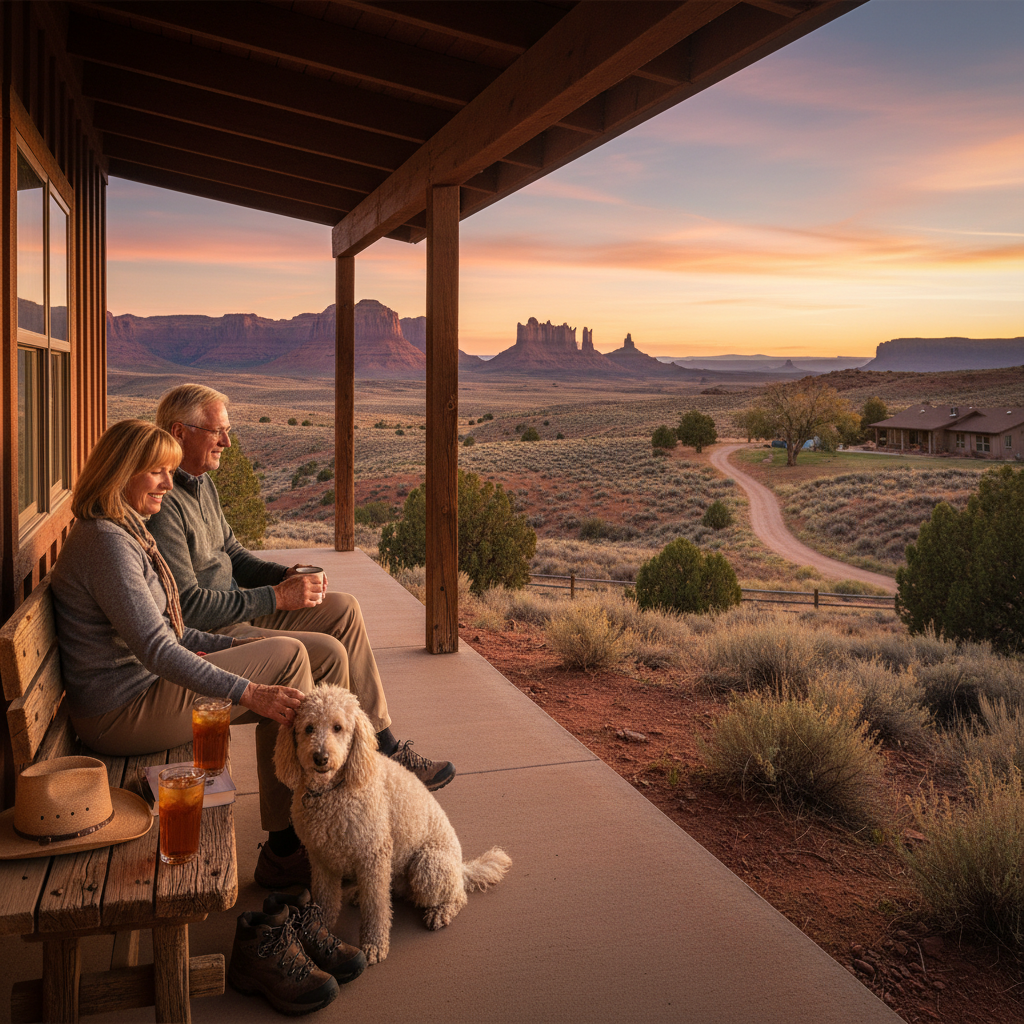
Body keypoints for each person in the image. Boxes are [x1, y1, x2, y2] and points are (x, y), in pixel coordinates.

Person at [147, 385, 454, 800]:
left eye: (228, 430)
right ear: (179, 433)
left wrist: (286, 576)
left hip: (240, 605)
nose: (227, 441)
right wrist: (278, 596)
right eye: (217, 431)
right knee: (323, 652)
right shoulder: (162, 503)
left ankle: (381, 746)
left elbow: (232, 554)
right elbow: (191, 608)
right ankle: (326, 791)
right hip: (219, 626)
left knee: (343, 608)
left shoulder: (201, 484)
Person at [49, 420, 321, 888]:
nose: (168, 484)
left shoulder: (123, 531)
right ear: (120, 472)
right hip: (121, 713)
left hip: (140, 694)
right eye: (157, 472)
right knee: (290, 657)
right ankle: (292, 847)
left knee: (292, 654)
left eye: (170, 472)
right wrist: (248, 689)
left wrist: (237, 648)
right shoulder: (107, 544)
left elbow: (171, 631)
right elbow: (158, 649)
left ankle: (305, 833)